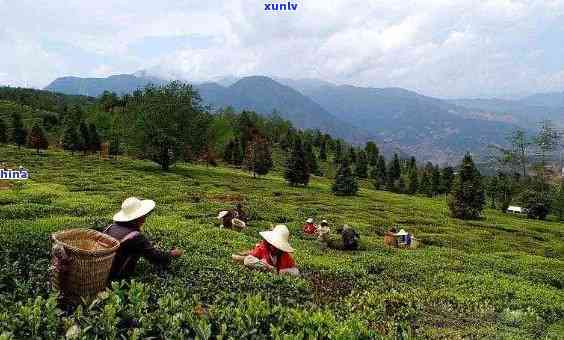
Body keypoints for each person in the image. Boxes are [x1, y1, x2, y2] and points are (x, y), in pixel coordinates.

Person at [104, 197, 183, 279]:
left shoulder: (110, 227)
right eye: (143, 216)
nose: (144, 218)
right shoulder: (136, 237)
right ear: (137, 218)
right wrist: (172, 254)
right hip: (117, 277)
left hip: (104, 270)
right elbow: (155, 257)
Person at [233, 224, 299, 276]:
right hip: (264, 267)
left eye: (277, 246)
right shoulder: (263, 247)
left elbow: (295, 270)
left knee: (295, 272)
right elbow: (249, 259)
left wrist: (279, 271)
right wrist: (267, 266)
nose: (274, 247)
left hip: (278, 272)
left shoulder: (285, 255)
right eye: (273, 244)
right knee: (248, 260)